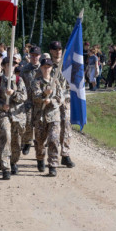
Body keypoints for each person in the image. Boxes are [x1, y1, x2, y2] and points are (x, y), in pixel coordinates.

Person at [0, 57, 28, 180]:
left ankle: (13, 161)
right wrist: (1, 105)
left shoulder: (19, 80)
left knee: (16, 141)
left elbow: (24, 96)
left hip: (18, 115)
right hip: (3, 114)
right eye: (8, 65)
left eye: (13, 65)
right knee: (5, 135)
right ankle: (5, 167)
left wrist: (13, 93)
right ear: (3, 66)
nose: (11, 67)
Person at [32, 55, 62, 177]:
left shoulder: (55, 82)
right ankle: (40, 158)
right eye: (44, 67)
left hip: (53, 115)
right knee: (40, 141)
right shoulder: (36, 82)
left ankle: (53, 165)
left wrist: (52, 101)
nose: (46, 69)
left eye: (48, 67)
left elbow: (60, 98)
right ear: (41, 68)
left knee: (54, 139)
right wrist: (44, 95)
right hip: (40, 116)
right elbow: (35, 96)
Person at [50, 41, 74, 169]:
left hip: (65, 100)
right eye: (55, 49)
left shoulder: (66, 66)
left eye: (60, 48)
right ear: (51, 51)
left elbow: (72, 82)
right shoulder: (47, 66)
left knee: (66, 126)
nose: (58, 51)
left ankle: (65, 154)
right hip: (52, 102)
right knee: (52, 129)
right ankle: (44, 153)